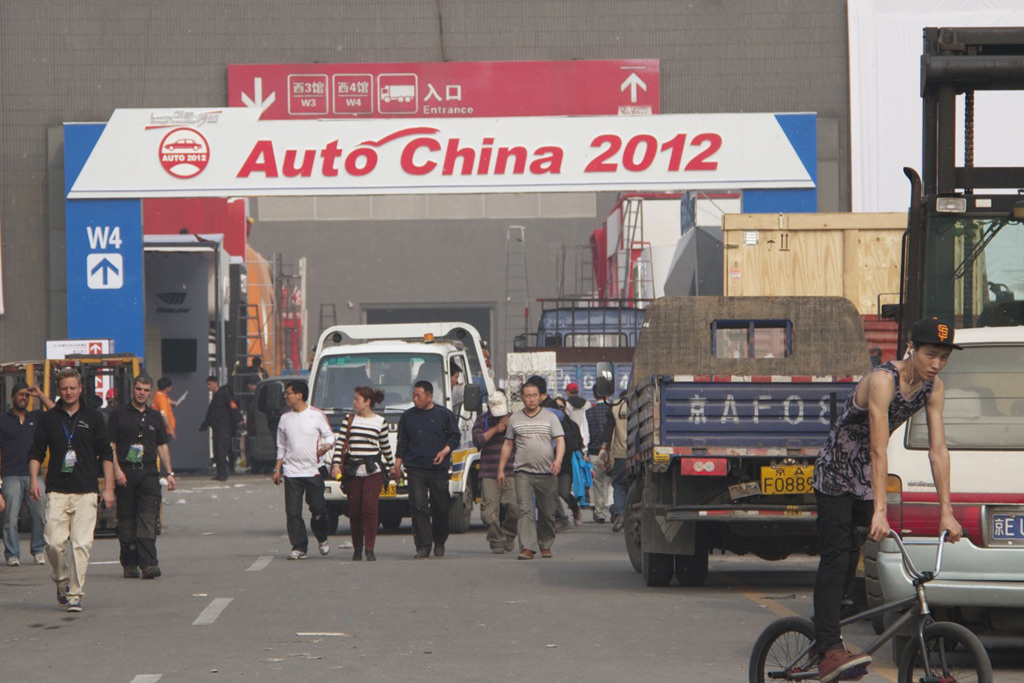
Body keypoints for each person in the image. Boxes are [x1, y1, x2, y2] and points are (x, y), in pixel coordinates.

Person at [810, 317, 964, 683]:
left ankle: (829, 625)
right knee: (837, 557)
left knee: (857, 557)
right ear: (912, 348)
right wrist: (880, 510)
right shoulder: (883, 380)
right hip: (836, 474)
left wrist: (947, 512)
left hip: (867, 479)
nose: (936, 364)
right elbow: (878, 448)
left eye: (943, 357)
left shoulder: (933, 388)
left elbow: (938, 450)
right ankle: (827, 646)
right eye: (930, 355)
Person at [28, 368, 115, 613]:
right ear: (58, 390)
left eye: (73, 388)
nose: (69, 392)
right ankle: (61, 580)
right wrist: (34, 481)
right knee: (53, 543)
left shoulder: (94, 417)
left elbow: (106, 453)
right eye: (64, 388)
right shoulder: (48, 418)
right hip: (56, 490)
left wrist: (108, 488)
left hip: (86, 490)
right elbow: (36, 451)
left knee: (80, 545)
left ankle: (75, 594)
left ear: (80, 389)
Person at [107, 374, 176, 579]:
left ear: (150, 392)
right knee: (127, 521)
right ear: (133, 389)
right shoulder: (118, 414)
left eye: (146, 390)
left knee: (148, 518)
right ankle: (129, 564)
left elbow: (162, 446)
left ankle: (148, 564)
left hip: (148, 473)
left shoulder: (155, 416)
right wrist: (117, 470)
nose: (142, 393)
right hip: (126, 473)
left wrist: (170, 473)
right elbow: (111, 445)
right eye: (139, 389)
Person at [391, 381, 460, 559]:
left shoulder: (444, 414)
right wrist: (397, 465)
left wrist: (444, 452)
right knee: (418, 507)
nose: (415, 399)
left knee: (441, 507)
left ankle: (439, 540)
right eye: (413, 395)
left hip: (438, 468)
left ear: (429, 397)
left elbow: (454, 437)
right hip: (415, 468)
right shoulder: (407, 416)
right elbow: (402, 443)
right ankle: (423, 546)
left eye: (418, 396)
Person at [497, 379, 565, 560]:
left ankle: (545, 544)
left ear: (541, 397)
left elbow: (560, 440)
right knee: (525, 510)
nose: (532, 399)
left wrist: (558, 460)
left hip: (547, 472)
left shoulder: (551, 417)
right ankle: (527, 547)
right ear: (522, 397)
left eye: (535, 395)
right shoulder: (514, 419)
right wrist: (501, 469)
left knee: (547, 513)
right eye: (528, 396)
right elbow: (508, 444)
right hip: (523, 472)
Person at [272, 380, 335, 560]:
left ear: (299, 395)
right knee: (293, 512)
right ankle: (299, 547)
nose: (286, 396)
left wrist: (326, 446)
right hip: (291, 472)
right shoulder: (285, 418)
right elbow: (281, 446)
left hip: (313, 470)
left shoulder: (316, 415)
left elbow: (330, 436)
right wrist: (277, 468)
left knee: (318, 510)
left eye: (288, 393)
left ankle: (322, 537)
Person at [330, 386, 393, 562]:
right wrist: (336, 465)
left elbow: (385, 447)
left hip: (373, 470)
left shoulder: (380, 421)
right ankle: (357, 548)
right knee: (355, 510)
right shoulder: (349, 420)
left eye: (357, 399)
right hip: (353, 470)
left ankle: (370, 548)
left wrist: (393, 467)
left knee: (370, 509)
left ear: (367, 402)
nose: (354, 402)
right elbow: (340, 444)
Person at [1, 383, 54, 566]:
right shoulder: (3, 420)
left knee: (40, 514)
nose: (24, 398)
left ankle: (38, 550)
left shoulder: (36, 417)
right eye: (20, 395)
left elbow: (57, 413)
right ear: (12, 397)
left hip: (34, 476)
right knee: (10, 517)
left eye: (26, 395)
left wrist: (40, 395)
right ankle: (12, 554)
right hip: (10, 475)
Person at [471, 390, 518, 554]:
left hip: (511, 470)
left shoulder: (515, 419)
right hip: (489, 472)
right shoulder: (482, 420)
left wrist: (509, 427)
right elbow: (477, 441)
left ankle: (509, 533)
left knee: (515, 508)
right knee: (489, 513)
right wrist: (495, 429)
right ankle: (496, 540)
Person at [599, 390, 630, 532]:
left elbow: (608, 431)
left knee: (620, 485)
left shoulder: (615, 407)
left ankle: (621, 514)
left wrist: (604, 449)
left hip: (621, 454)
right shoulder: (646, 402)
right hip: (643, 453)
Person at [200, 375, 240, 481]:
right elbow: (210, 414)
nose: (208, 386)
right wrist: (204, 426)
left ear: (215, 383)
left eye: (209, 384)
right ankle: (220, 473)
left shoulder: (224, 394)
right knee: (217, 451)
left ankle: (223, 474)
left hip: (224, 427)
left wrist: (239, 419)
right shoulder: (215, 397)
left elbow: (233, 406)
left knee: (222, 451)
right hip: (216, 428)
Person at [585, 379, 614, 523]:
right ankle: (614, 508)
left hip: (595, 452)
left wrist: (585, 452)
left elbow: (585, 434)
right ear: (608, 394)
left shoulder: (589, 412)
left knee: (598, 483)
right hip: (613, 452)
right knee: (613, 483)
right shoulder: (614, 410)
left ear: (594, 395)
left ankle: (600, 512)